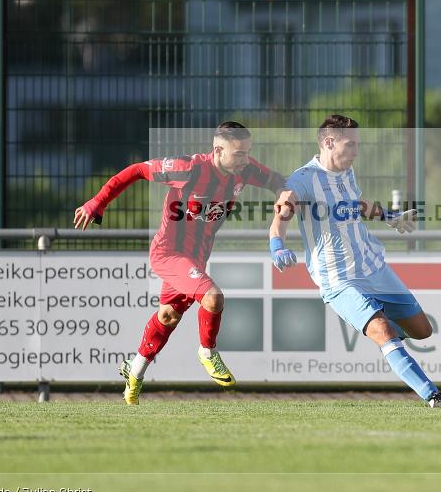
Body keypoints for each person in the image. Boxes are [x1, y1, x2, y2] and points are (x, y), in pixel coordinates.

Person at [75, 122, 287, 404]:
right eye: (239, 154)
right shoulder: (189, 169)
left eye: (248, 152)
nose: (245, 160)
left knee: (168, 317)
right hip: (168, 253)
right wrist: (97, 202)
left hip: (197, 258)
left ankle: (134, 370)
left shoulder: (244, 170)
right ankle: (207, 352)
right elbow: (137, 170)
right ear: (217, 150)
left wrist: (285, 195)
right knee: (213, 298)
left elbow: (276, 180)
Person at [269, 114, 441, 408]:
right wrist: (277, 245)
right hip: (338, 280)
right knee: (384, 331)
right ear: (329, 142)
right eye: (351, 145)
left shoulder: (347, 172)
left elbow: (357, 205)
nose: (356, 152)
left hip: (374, 269)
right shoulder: (303, 179)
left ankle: (385, 334)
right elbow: (282, 212)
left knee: (422, 330)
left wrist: (389, 216)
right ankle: (434, 396)